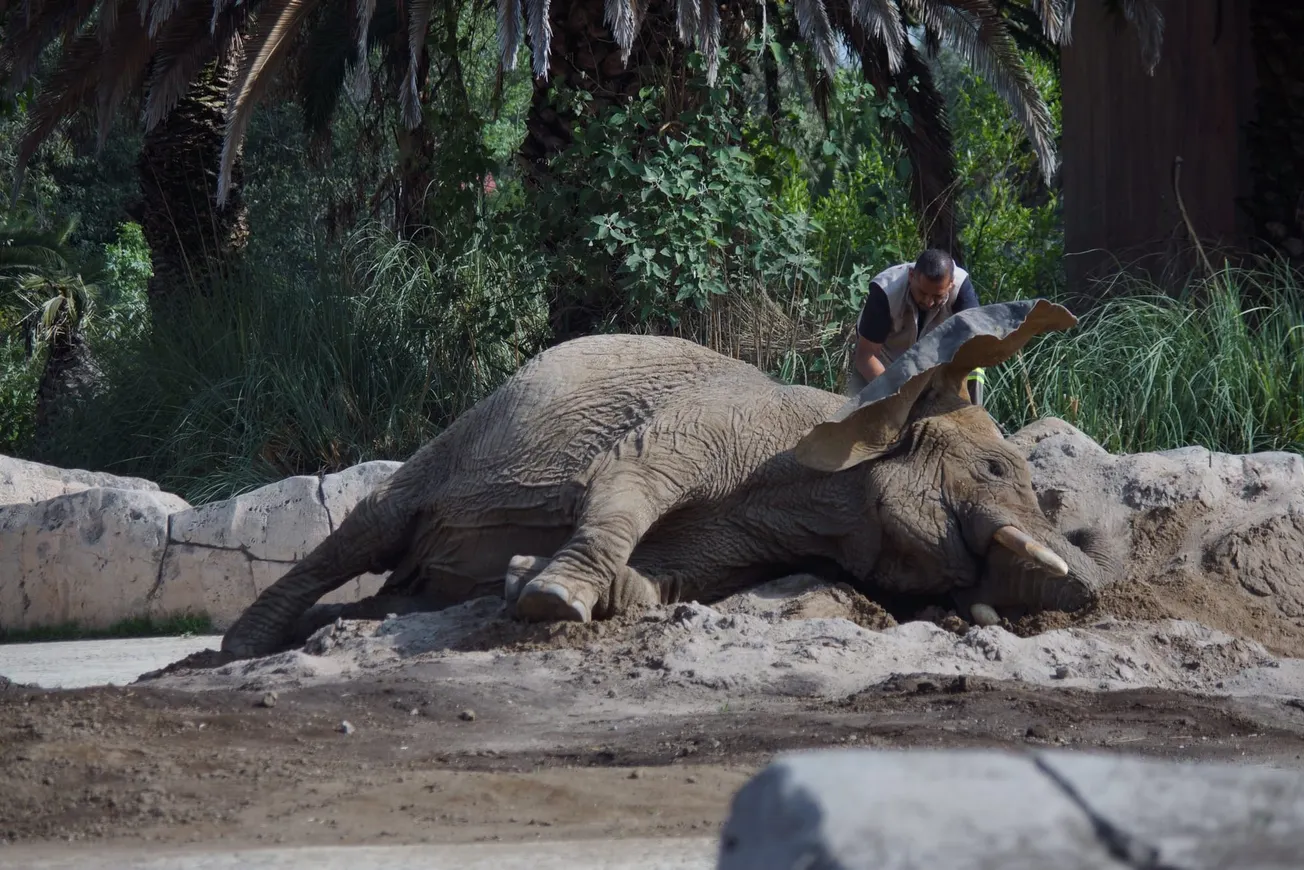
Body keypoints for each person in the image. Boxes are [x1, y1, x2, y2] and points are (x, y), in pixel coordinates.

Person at [846, 248, 986, 406]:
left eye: (937, 296)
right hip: (884, 361)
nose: (929, 302)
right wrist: (895, 395)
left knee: (975, 367)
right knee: (855, 418)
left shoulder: (962, 290)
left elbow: (975, 347)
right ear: (911, 276)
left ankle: (972, 416)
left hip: (932, 364)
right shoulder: (885, 291)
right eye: (922, 292)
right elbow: (866, 356)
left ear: (950, 285)